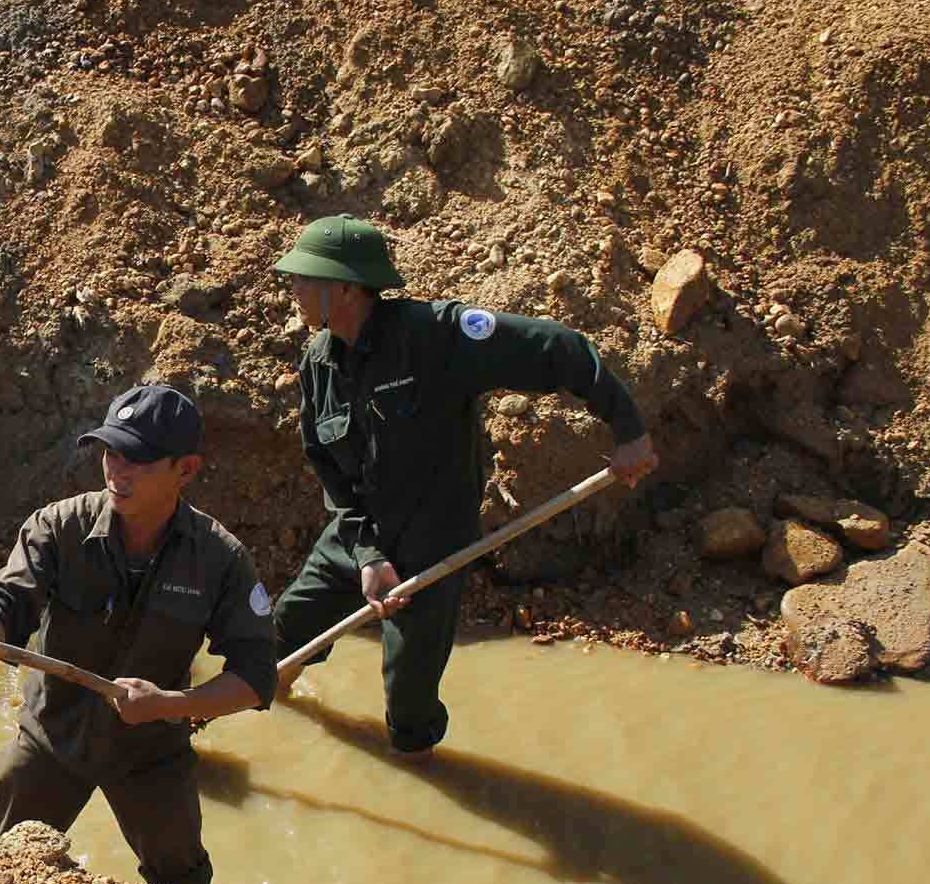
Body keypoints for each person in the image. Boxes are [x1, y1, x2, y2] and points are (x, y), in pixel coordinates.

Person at [271, 214, 659, 754]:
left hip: (434, 547)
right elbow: (329, 469)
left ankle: (420, 764)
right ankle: (272, 712)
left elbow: (557, 347)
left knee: (408, 698)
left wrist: (629, 430)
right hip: (357, 534)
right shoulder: (320, 363)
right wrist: (365, 554)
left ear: (346, 288)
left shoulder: (436, 337)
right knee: (279, 640)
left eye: (303, 278)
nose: (291, 287)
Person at [0, 384, 277, 884]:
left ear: (185, 469)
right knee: (2, 878)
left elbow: (255, 677)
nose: (118, 470)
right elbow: (8, 596)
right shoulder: (58, 526)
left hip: (152, 751)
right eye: (111, 453)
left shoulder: (220, 559)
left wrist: (171, 706)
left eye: (137, 458)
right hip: (52, 736)